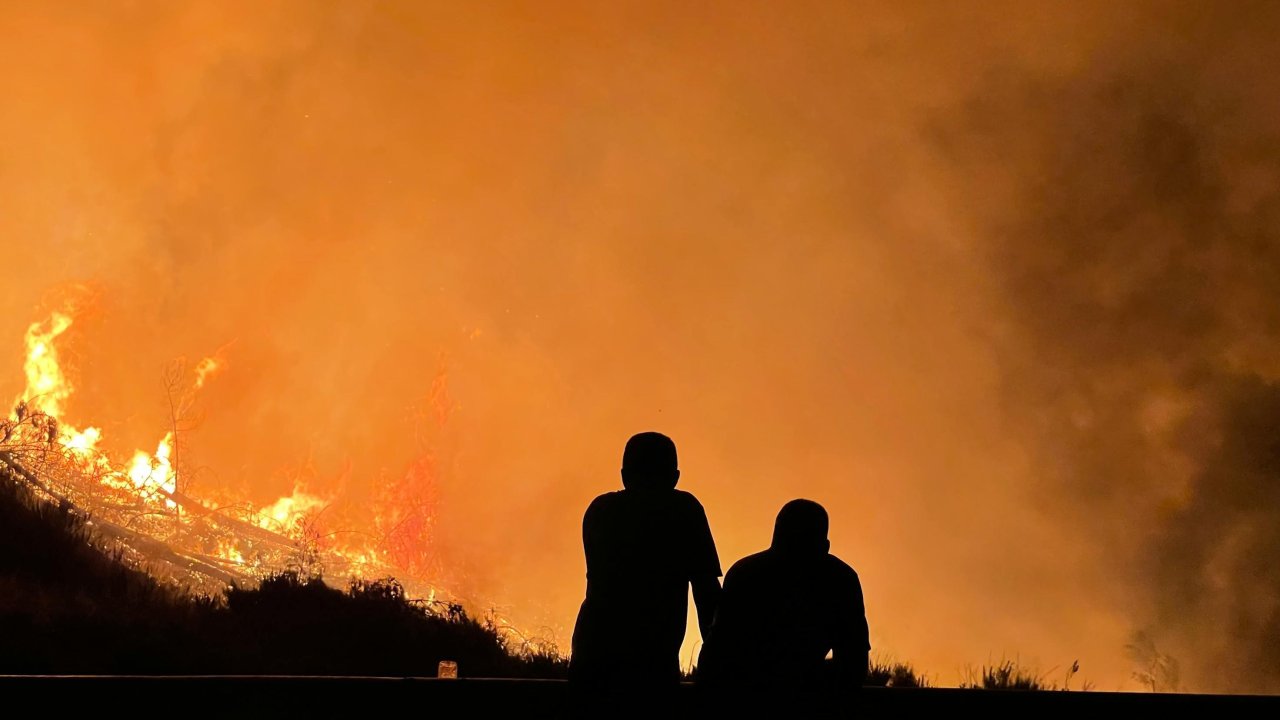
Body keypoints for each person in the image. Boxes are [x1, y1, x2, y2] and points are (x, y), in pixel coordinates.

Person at [570, 432, 722, 691]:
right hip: (653, 656)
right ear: (675, 478)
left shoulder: (601, 510)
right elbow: (706, 592)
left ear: (624, 475)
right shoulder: (683, 510)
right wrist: (719, 657)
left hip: (594, 650)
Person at [697, 499, 869, 694]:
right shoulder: (841, 580)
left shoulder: (745, 573)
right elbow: (855, 662)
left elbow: (714, 656)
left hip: (746, 694)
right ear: (825, 546)